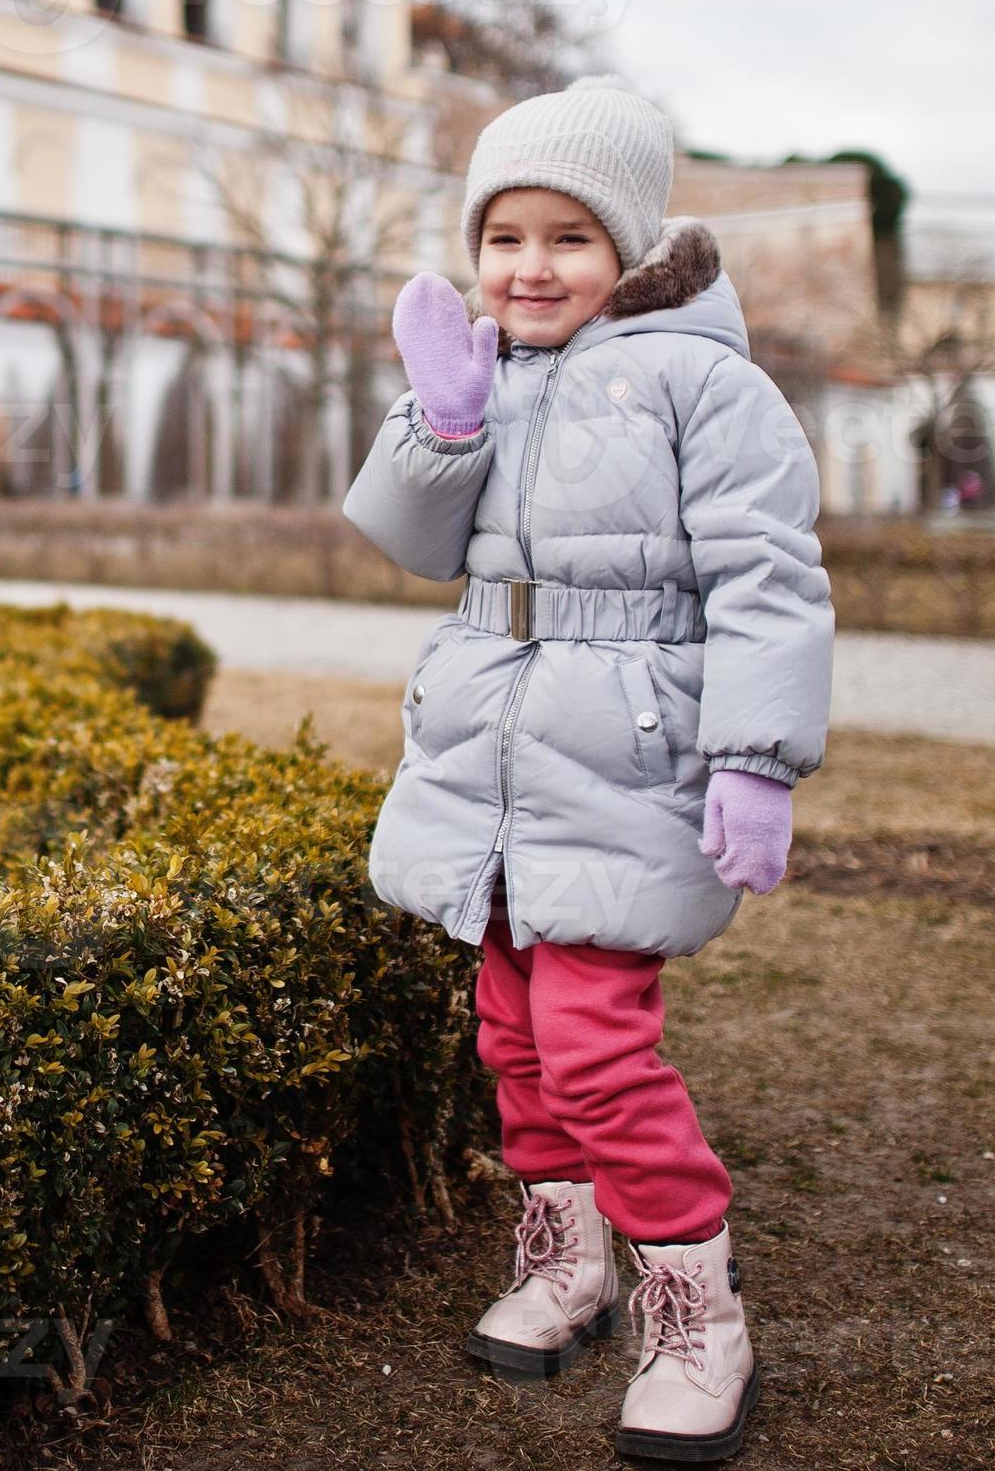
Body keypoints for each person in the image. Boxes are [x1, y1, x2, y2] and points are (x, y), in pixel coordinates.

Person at [341, 75, 834, 1464]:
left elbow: (766, 579)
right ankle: (566, 1266)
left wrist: (753, 757)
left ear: (625, 250)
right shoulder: (480, 371)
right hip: (483, 759)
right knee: (511, 1040)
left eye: (566, 237)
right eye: (504, 237)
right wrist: (440, 423)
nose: (529, 266)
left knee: (596, 1048)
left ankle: (695, 1312)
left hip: (624, 763)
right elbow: (406, 540)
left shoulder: (702, 383)